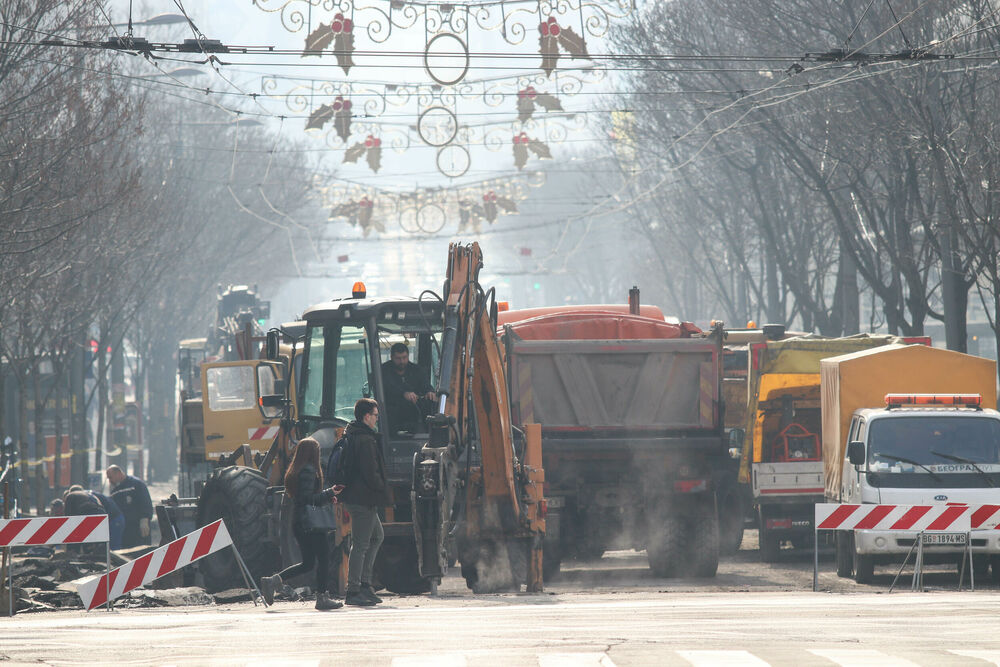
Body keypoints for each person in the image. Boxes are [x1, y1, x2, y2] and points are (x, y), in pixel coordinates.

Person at [259, 438, 342, 610]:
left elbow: (306, 499)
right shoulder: (309, 471)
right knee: (324, 559)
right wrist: (329, 492)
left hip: (300, 522)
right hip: (310, 524)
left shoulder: (296, 471)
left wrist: (327, 497)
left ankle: (273, 581)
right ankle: (322, 598)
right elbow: (307, 499)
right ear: (313, 453)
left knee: (308, 563)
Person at [340, 398, 391, 606]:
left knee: (377, 536)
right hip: (362, 498)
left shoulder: (354, 434)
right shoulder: (364, 440)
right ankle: (354, 590)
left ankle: (365, 584)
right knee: (360, 544)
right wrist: (383, 487)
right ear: (366, 416)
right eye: (375, 415)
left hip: (359, 497)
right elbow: (371, 472)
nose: (377, 419)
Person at [380, 342, 436, 433]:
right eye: (398, 358)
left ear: (408, 356)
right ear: (391, 357)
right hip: (391, 415)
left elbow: (426, 385)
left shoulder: (417, 370)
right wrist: (403, 394)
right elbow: (386, 387)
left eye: (404, 357)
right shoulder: (383, 371)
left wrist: (429, 391)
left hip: (414, 415)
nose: (402, 361)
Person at [63, 484, 125, 550]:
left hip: (113, 519)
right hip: (114, 518)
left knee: (113, 548)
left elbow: (69, 519)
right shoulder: (89, 494)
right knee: (108, 547)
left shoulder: (71, 496)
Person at [105, 465, 153, 549]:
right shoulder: (114, 491)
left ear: (118, 473)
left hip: (139, 527)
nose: (110, 481)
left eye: (110, 477)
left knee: (142, 551)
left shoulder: (136, 484)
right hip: (125, 529)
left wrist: (145, 519)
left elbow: (146, 502)